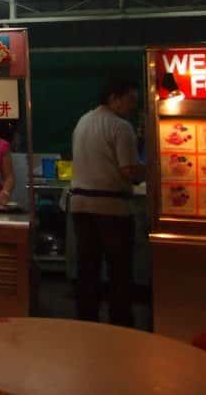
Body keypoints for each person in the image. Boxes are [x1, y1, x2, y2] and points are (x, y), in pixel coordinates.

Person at [70, 78, 146, 327]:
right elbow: (129, 171)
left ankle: (86, 321)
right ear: (114, 98)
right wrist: (155, 170)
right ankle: (121, 324)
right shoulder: (120, 127)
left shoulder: (83, 120)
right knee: (119, 271)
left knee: (87, 268)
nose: (133, 106)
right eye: (131, 100)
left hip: (80, 206)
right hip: (112, 208)